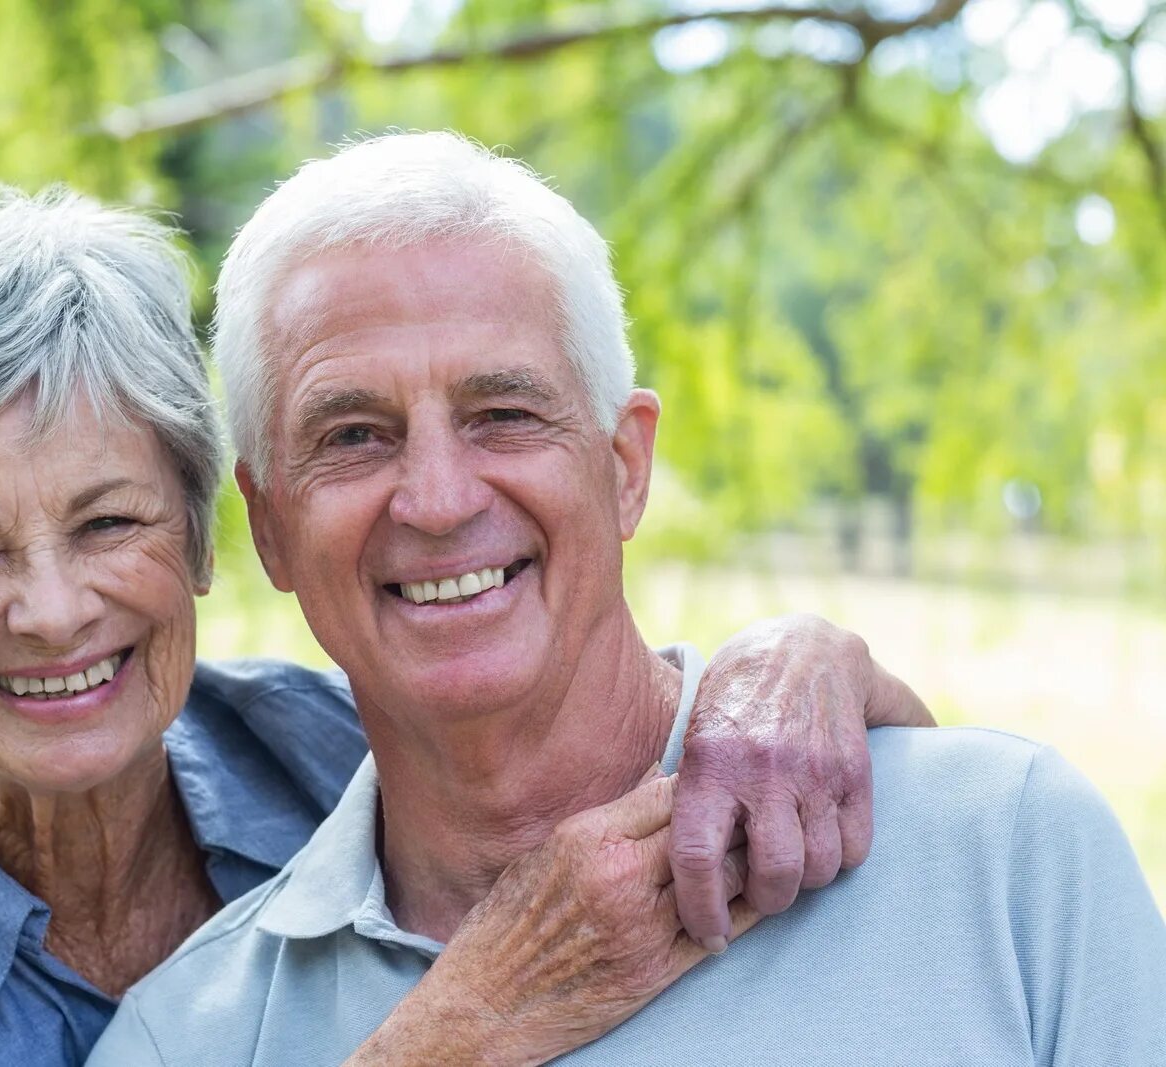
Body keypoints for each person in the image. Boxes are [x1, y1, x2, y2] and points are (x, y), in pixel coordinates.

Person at [0, 184, 929, 1067]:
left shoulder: (316, 737)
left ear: (208, 538)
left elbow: (673, 730)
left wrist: (799, 659)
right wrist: (474, 1021)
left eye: (108, 522)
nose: (53, 609)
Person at [90, 133, 1166, 1066]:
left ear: (626, 467)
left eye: (504, 413)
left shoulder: (1006, 853)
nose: (438, 498)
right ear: (270, 525)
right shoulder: (183, 1039)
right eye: (353, 435)